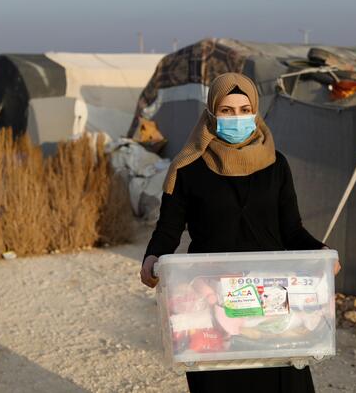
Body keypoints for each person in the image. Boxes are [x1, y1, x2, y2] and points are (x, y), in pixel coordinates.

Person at [140, 72, 341, 393]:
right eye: (227, 111)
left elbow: (292, 231)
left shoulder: (276, 165)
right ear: (211, 114)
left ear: (256, 111)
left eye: (245, 109)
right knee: (221, 381)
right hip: (212, 299)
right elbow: (168, 230)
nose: (238, 117)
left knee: (281, 380)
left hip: (272, 296)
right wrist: (152, 257)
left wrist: (321, 251)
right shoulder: (188, 167)